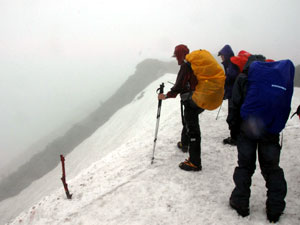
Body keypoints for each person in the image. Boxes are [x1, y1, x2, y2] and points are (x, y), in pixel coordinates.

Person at [228, 55, 288, 223]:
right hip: (270, 129)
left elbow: (235, 104)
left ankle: (240, 202)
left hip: (247, 129)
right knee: (272, 168)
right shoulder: (275, 79)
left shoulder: (243, 77)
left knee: (245, 166)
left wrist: (233, 129)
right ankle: (275, 208)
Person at [158, 44, 204, 171]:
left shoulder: (185, 66)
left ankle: (195, 162)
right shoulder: (194, 63)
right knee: (189, 123)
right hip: (199, 99)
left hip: (191, 101)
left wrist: (166, 95)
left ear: (179, 55)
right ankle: (185, 143)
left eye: (176, 56)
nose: (176, 59)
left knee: (193, 130)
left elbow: (178, 86)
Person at [218, 45, 240, 146]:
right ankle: (236, 136)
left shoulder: (232, 64)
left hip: (234, 95)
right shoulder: (230, 64)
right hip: (234, 94)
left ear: (225, 55)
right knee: (234, 116)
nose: (221, 57)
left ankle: (235, 138)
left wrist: (224, 79)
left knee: (232, 117)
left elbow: (231, 78)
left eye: (222, 55)